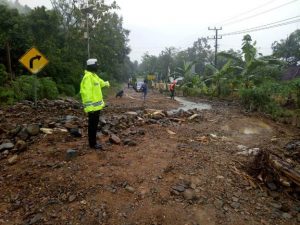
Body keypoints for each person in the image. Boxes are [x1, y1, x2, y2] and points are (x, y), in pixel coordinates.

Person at [80, 58, 110, 149]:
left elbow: (100, 83)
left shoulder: (94, 76)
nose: (97, 67)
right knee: (92, 126)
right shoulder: (88, 77)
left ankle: (93, 142)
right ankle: (92, 144)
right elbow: (86, 93)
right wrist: (89, 108)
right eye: (96, 65)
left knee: (95, 125)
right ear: (91, 66)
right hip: (92, 108)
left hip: (96, 108)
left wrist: (106, 83)